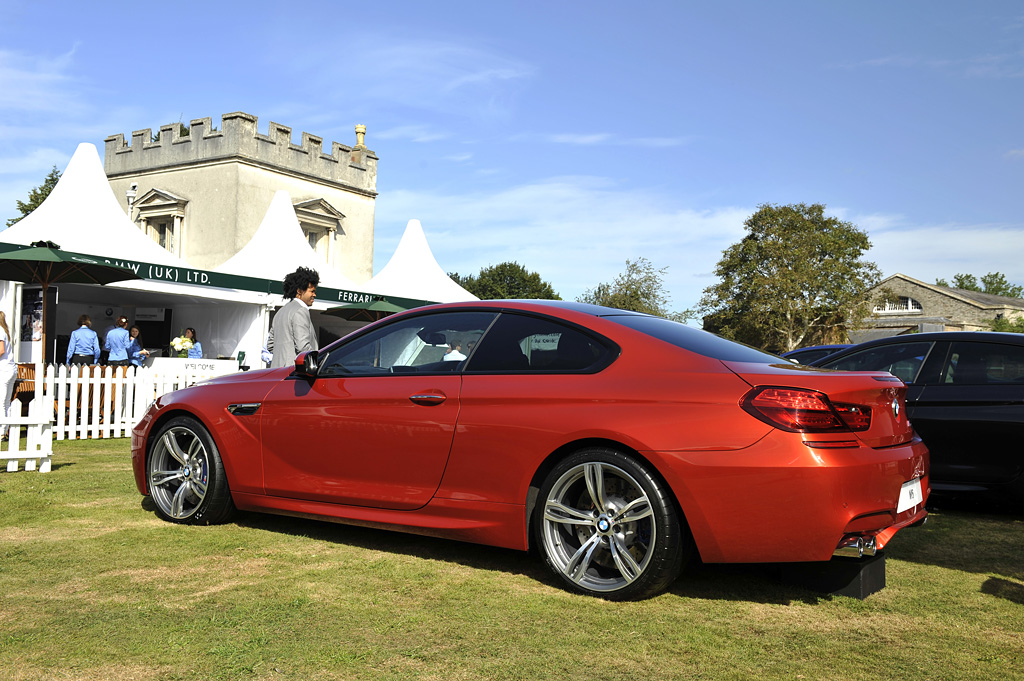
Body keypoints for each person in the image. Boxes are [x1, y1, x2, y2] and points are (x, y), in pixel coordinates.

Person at [270, 267, 319, 368]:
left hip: (277, 372)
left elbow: (270, 345)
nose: (314, 294)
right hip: (293, 373)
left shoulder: (280, 312)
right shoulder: (301, 310)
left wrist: (284, 354)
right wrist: (319, 362)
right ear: (299, 291)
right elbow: (303, 347)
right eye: (312, 291)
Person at [0, 311, 16, 442]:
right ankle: (4, 430)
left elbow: (1, 350)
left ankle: (1, 431)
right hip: (11, 369)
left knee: (1, 402)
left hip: (4, 370)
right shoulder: (4, 330)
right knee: (6, 402)